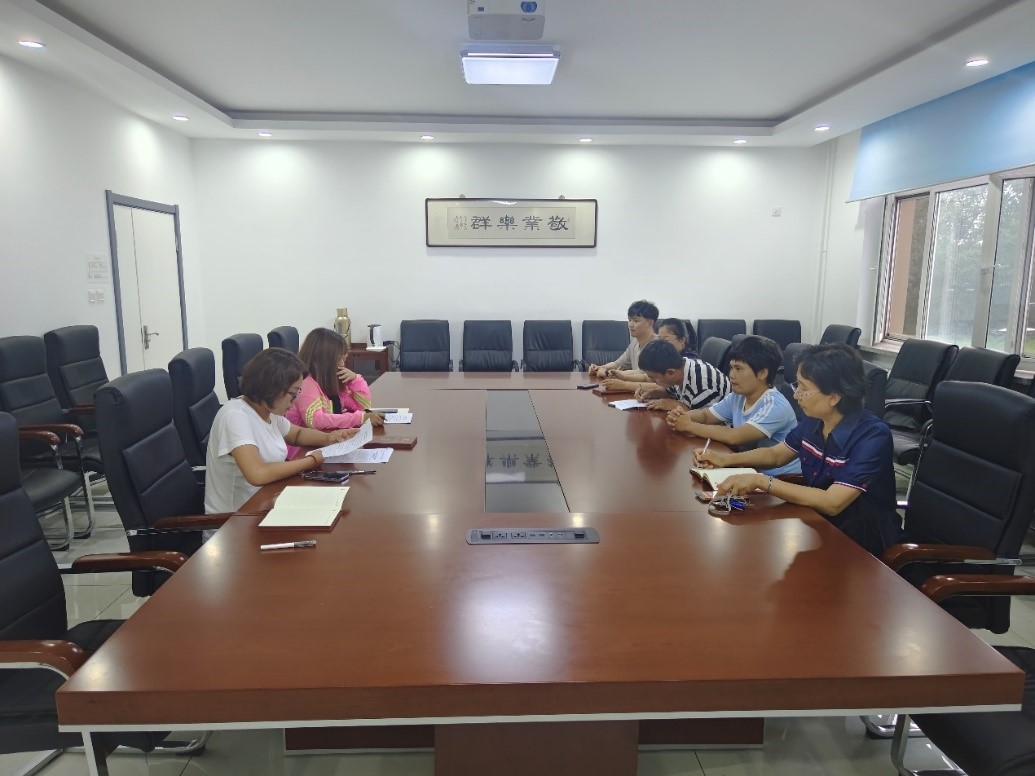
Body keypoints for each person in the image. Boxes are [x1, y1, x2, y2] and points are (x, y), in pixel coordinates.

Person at [694, 343, 903, 556]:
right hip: (816, 524)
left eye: (803, 388)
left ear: (834, 397)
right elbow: (776, 455)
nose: (796, 396)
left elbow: (832, 502)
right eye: (797, 386)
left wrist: (762, 482)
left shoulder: (872, 436)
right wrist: (724, 460)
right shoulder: (815, 420)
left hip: (861, 543)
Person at [205, 348, 359, 515]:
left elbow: (297, 435)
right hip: (236, 519)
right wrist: (313, 460)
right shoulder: (235, 416)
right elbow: (257, 474)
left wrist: (331, 437)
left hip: (268, 501)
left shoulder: (266, 410)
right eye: (293, 394)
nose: (295, 401)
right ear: (272, 388)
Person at [666, 335, 800, 476]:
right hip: (749, 469)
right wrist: (681, 416)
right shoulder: (739, 396)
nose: (731, 375)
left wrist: (688, 425)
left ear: (762, 373)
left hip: (779, 477)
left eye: (738, 369)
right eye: (731, 368)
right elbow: (706, 415)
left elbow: (735, 436)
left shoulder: (774, 405)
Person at [286, 328, 384, 455]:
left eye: (344, 358)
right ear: (324, 360)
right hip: (301, 452)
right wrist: (359, 418)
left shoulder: (328, 381)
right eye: (339, 359)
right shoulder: (306, 384)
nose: (342, 364)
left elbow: (363, 406)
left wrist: (355, 379)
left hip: (325, 444)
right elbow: (316, 421)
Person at [637, 339, 731, 412]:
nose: (653, 381)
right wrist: (653, 393)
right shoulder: (680, 368)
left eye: (653, 377)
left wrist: (674, 404)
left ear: (670, 373)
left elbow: (706, 419)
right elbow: (671, 392)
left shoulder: (702, 385)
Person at [587, 300, 658, 392]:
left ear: (650, 323)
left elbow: (643, 374)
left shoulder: (658, 346)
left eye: (636, 320)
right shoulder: (635, 343)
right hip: (636, 392)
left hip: (651, 393)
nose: (630, 325)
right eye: (629, 320)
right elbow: (618, 363)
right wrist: (600, 368)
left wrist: (609, 372)